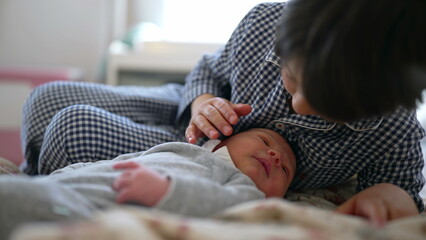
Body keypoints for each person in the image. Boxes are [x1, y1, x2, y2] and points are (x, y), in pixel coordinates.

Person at [19, 0, 426, 226]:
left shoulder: (393, 128)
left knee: (69, 129)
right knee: (45, 100)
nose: (299, 105)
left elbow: (403, 198)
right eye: (291, 77)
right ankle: (35, 180)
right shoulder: (264, 22)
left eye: (328, 108)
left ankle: (45, 198)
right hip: (192, 116)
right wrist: (202, 103)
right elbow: (210, 69)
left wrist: (395, 195)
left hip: (199, 158)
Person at [0, 128, 296, 239]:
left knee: (14, 199)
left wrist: (167, 191)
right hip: (69, 184)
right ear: (221, 140)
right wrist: (66, 173)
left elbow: (228, 207)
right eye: (265, 141)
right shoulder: (180, 149)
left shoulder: (242, 188)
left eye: (286, 171)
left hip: (88, 209)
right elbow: (115, 162)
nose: (275, 156)